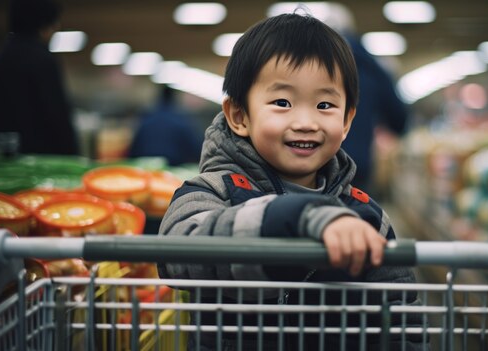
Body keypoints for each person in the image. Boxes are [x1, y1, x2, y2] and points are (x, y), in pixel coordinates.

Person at [157, 13, 423, 350]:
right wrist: (295, 218)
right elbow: (178, 256)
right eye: (282, 103)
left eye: (325, 105)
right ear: (239, 116)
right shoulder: (211, 193)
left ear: (346, 121)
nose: (305, 122)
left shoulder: (366, 215)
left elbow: (401, 316)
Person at [0, 0, 79, 155]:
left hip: (0, 159)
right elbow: (57, 117)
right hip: (39, 162)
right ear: (45, 24)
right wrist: (73, 157)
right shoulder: (42, 59)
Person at [325, 4, 410, 192]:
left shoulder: (303, 63)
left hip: (308, 161)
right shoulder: (371, 68)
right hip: (357, 165)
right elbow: (399, 118)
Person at [128, 85, 203, 166]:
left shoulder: (146, 120)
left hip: (144, 168)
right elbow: (197, 150)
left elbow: (133, 150)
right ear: (175, 99)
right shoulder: (181, 121)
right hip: (172, 169)